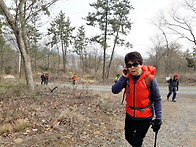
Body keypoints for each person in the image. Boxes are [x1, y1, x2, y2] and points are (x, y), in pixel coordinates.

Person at [112, 51, 162, 147]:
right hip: (130, 114)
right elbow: (114, 90)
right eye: (129, 65)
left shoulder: (149, 79)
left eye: (135, 64)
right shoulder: (126, 78)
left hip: (145, 117)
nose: (132, 68)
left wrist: (158, 118)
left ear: (141, 64)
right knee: (128, 137)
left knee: (137, 142)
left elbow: (157, 99)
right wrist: (123, 77)